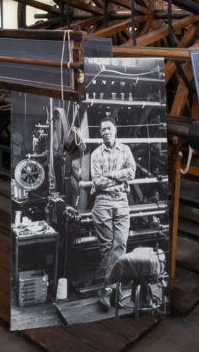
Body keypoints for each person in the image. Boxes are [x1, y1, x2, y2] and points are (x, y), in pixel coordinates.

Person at [91, 118, 136, 309]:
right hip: (103, 202)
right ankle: (114, 290)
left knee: (120, 245)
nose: (105, 132)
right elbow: (97, 182)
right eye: (102, 130)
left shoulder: (125, 150)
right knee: (108, 248)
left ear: (115, 130)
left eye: (108, 128)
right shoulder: (95, 154)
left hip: (122, 202)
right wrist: (119, 177)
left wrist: (109, 175)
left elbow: (132, 173)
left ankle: (106, 289)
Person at [101, 247, 167, 313]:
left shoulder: (157, 261)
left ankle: (115, 294)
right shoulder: (157, 266)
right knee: (144, 277)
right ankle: (144, 303)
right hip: (128, 263)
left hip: (126, 261)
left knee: (142, 275)